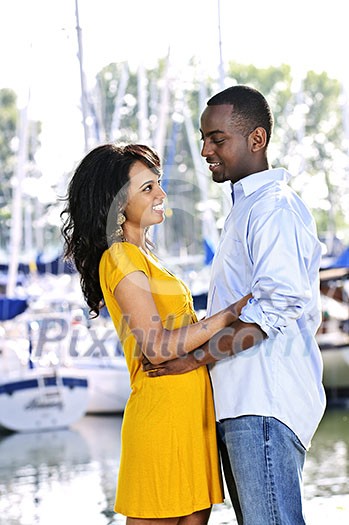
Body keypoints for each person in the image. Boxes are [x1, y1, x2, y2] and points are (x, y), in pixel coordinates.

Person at [143, 85, 327, 525]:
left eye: (217, 139)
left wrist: (194, 360)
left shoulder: (273, 209)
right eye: (204, 137)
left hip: (262, 400)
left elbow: (274, 308)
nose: (205, 149)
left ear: (256, 140)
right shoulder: (247, 209)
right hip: (243, 402)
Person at [60, 142, 251, 525]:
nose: (161, 194)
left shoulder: (142, 256)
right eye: (147, 188)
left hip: (190, 421)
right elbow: (157, 346)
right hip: (162, 422)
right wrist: (229, 314)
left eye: (159, 183)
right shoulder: (120, 256)